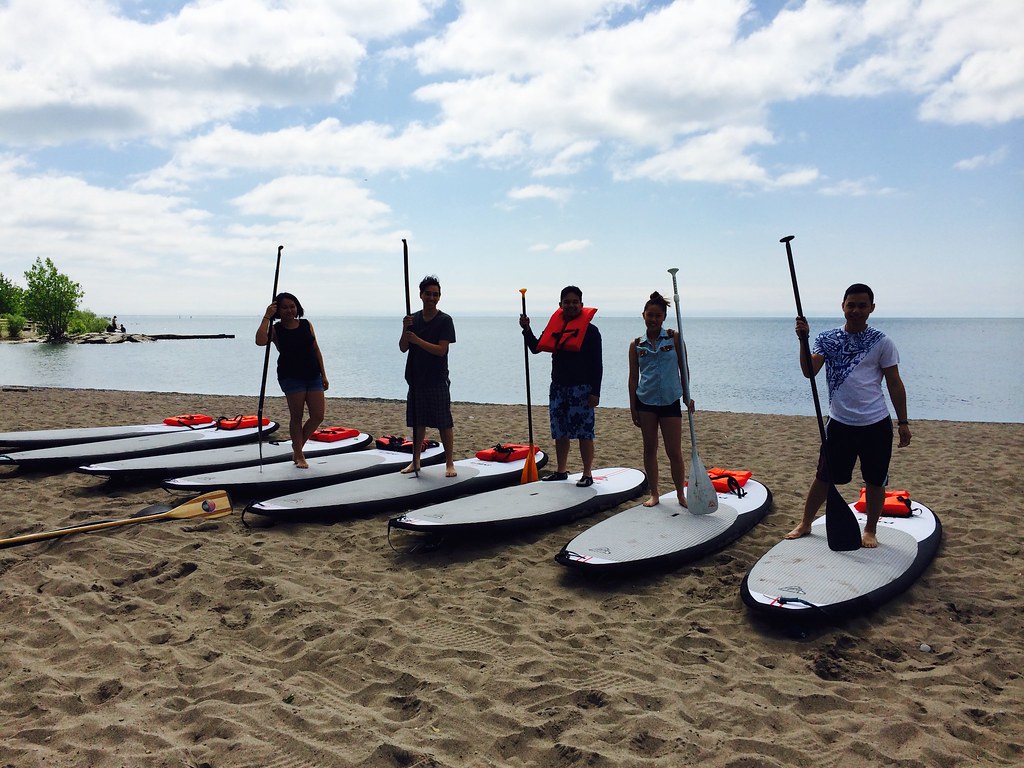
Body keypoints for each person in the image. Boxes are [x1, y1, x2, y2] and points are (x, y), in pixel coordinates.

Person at [785, 283, 911, 548]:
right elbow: (810, 371)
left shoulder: (882, 341)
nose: (856, 310)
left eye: (862, 305)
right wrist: (803, 340)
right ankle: (806, 522)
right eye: (851, 305)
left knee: (875, 481)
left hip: (875, 424)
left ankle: (871, 530)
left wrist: (903, 423)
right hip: (839, 424)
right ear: (842, 306)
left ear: (871, 308)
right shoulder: (827, 339)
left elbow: (895, 383)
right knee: (824, 477)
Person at [520, 285, 602, 486]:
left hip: (582, 389)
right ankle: (561, 470)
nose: (571, 305)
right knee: (560, 432)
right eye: (567, 302)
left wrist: (595, 392)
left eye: (575, 302)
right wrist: (527, 329)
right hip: (558, 388)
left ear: (582, 305)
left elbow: (597, 364)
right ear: (560, 305)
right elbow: (536, 348)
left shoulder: (591, 331)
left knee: (585, 433)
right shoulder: (555, 327)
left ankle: (587, 473)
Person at [628, 291, 694, 507]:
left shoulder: (674, 337)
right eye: (650, 315)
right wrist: (633, 407)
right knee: (650, 448)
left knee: (674, 450)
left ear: (664, 317)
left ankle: (680, 494)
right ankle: (655, 493)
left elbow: (684, 369)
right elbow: (633, 378)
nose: (654, 319)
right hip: (645, 402)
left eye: (658, 315)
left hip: (670, 401)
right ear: (643, 315)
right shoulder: (637, 344)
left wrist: (687, 395)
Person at [255, 292, 329, 468]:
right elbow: (259, 341)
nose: (289, 310)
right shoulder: (276, 329)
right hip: (291, 375)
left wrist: (324, 374)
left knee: (318, 415)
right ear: (278, 310)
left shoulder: (306, 324)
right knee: (297, 416)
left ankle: (296, 450)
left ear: (297, 308)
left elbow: (316, 349)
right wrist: (267, 316)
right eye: (285, 307)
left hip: (313, 374)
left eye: (292, 306)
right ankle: (300, 455)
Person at [399, 275, 457, 477]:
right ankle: (415, 461)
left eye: (436, 294)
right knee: (418, 423)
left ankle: (450, 463)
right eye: (428, 294)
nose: (432, 298)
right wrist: (406, 329)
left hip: (437, 379)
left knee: (444, 422)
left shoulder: (445, 320)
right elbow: (403, 347)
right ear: (421, 295)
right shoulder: (412, 319)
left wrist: (417, 339)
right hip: (415, 379)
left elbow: (442, 350)